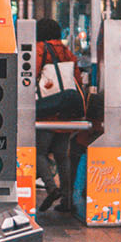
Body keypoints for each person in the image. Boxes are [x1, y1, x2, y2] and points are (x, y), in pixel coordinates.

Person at [34, 18, 81, 214]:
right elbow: (76, 79)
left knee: (39, 152)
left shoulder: (39, 49)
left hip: (47, 110)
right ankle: (68, 201)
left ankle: (51, 188)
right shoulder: (68, 52)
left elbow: (30, 76)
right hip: (66, 110)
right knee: (63, 156)